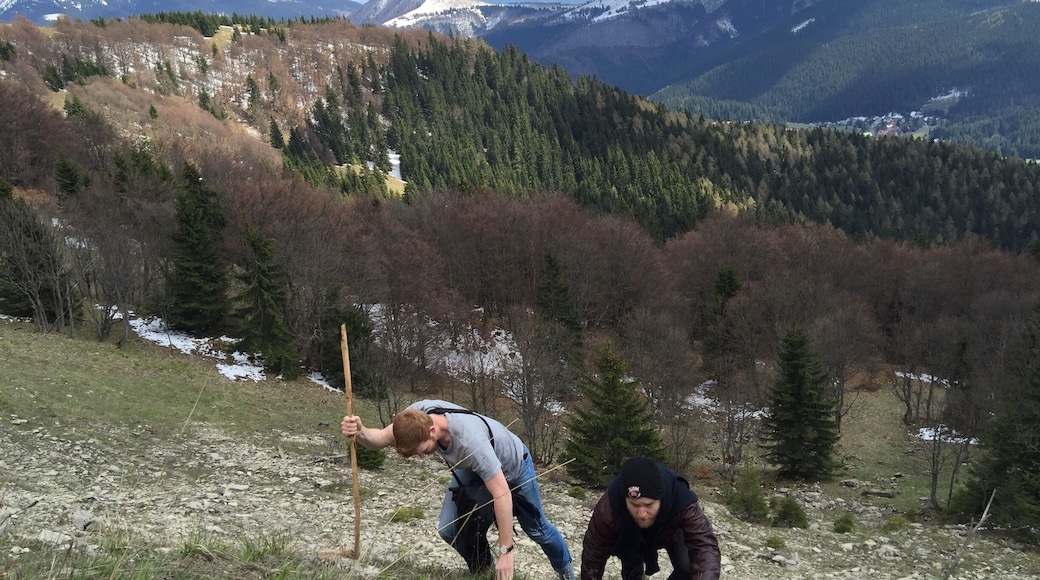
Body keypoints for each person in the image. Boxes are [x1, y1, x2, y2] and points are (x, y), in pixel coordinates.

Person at [341, 399, 575, 580]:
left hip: (513, 466)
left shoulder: (471, 442)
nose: (421, 457)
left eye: (421, 450)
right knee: (448, 529)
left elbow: (501, 493)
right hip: (470, 465)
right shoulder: (414, 419)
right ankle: (484, 570)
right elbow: (379, 438)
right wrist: (360, 431)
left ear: (432, 431)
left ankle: (566, 571)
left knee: (537, 529)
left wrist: (506, 550)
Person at [580, 457, 721, 580]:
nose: (642, 513)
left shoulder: (681, 499)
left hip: (668, 529)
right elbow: (593, 555)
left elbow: (704, 546)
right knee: (631, 569)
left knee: (687, 567)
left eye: (648, 505)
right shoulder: (609, 508)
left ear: (661, 498)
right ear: (625, 500)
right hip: (628, 530)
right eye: (635, 505)